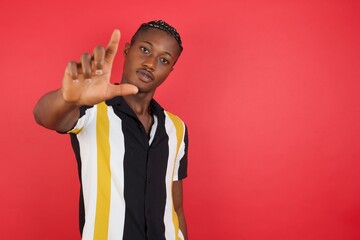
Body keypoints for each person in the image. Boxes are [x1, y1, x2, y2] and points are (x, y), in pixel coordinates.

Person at [33, 20, 189, 240]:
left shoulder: (176, 128)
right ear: (127, 50)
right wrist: (66, 98)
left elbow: (177, 206)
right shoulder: (92, 110)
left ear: (170, 70)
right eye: (145, 49)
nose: (151, 64)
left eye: (163, 60)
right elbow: (43, 116)